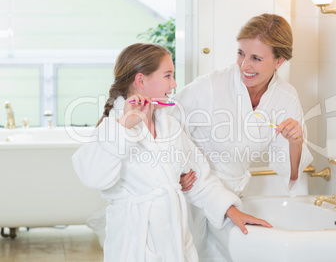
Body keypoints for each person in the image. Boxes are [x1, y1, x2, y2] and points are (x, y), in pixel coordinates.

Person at [72, 43, 271, 262]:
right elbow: (92, 177)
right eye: (168, 76)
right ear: (140, 80)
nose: (174, 84)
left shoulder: (170, 127)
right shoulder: (112, 128)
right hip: (135, 244)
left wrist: (233, 212)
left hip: (175, 241)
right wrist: (124, 129)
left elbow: (200, 179)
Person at [168, 13, 313, 260]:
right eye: (240, 53)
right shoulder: (209, 88)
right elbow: (165, 132)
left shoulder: (286, 98)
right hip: (193, 195)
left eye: (256, 58)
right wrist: (174, 175)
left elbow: (290, 173)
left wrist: (295, 142)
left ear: (279, 60)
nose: (245, 65)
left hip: (234, 199)